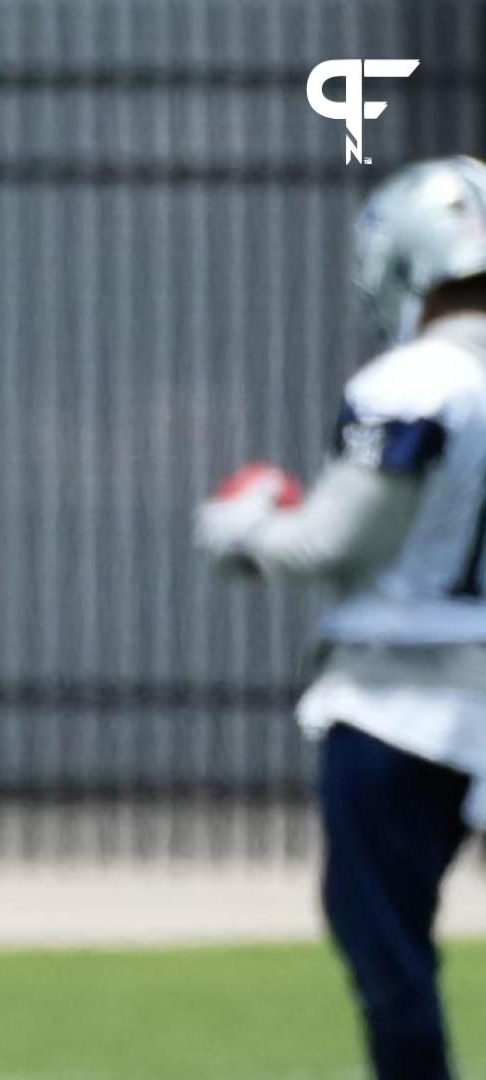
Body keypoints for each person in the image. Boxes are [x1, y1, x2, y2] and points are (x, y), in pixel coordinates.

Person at [194, 154, 486, 1080]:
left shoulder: (417, 381)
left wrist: (245, 529)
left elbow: (335, 545)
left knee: (384, 947)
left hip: (401, 704)